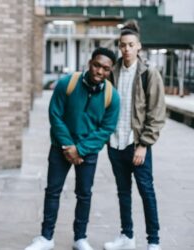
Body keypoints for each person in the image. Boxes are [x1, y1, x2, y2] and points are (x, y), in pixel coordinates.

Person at [25, 47, 120, 250]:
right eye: (97, 65)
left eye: (105, 68)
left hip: (88, 152)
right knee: (52, 191)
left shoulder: (113, 96)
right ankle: (46, 237)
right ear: (89, 63)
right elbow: (55, 115)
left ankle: (80, 238)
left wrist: (81, 149)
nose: (99, 71)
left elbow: (107, 129)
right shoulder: (67, 83)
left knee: (84, 194)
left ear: (110, 70)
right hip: (60, 147)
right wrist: (68, 146)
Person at [103, 20, 166, 250]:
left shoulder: (149, 73)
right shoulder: (113, 72)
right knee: (123, 192)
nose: (126, 49)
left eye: (130, 45)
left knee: (146, 191)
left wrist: (144, 144)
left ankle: (154, 240)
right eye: (122, 45)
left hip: (136, 145)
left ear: (139, 46)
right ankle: (127, 236)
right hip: (115, 143)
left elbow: (157, 113)